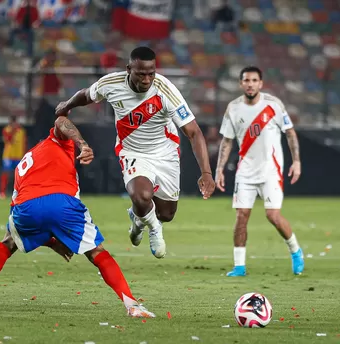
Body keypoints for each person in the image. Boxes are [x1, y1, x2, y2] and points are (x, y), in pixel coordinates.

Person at [0, 116, 155, 318]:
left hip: (25, 207)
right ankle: (132, 305)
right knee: (96, 252)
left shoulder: (25, 164)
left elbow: (22, 213)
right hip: (62, 203)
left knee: (8, 242)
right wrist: (83, 145)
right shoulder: (58, 141)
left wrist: (52, 242)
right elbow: (62, 120)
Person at [55, 46, 216, 259]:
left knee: (166, 214)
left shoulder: (165, 90)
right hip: (132, 151)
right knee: (142, 196)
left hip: (165, 153)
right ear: (129, 69)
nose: (147, 79)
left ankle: (138, 220)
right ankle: (154, 230)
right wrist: (67, 105)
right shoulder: (111, 84)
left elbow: (193, 132)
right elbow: (86, 95)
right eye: (141, 74)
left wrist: (206, 172)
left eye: (151, 73)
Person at [215, 66, 304, 277]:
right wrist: (219, 169)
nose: (250, 84)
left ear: (260, 84)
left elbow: (290, 133)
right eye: (246, 80)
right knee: (241, 216)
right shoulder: (233, 108)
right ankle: (239, 267)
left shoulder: (274, 105)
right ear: (240, 84)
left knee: (273, 215)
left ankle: (295, 250)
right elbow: (227, 141)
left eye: (254, 80)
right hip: (245, 172)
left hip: (271, 171)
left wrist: (297, 161)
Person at [0, 115, 27, 199]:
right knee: (6, 173)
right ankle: (2, 192)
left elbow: (24, 144)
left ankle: (20, 193)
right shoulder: (6, 130)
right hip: (8, 155)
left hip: (19, 156)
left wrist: (24, 155)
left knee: (20, 176)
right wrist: (13, 130)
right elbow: (8, 139)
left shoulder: (22, 131)